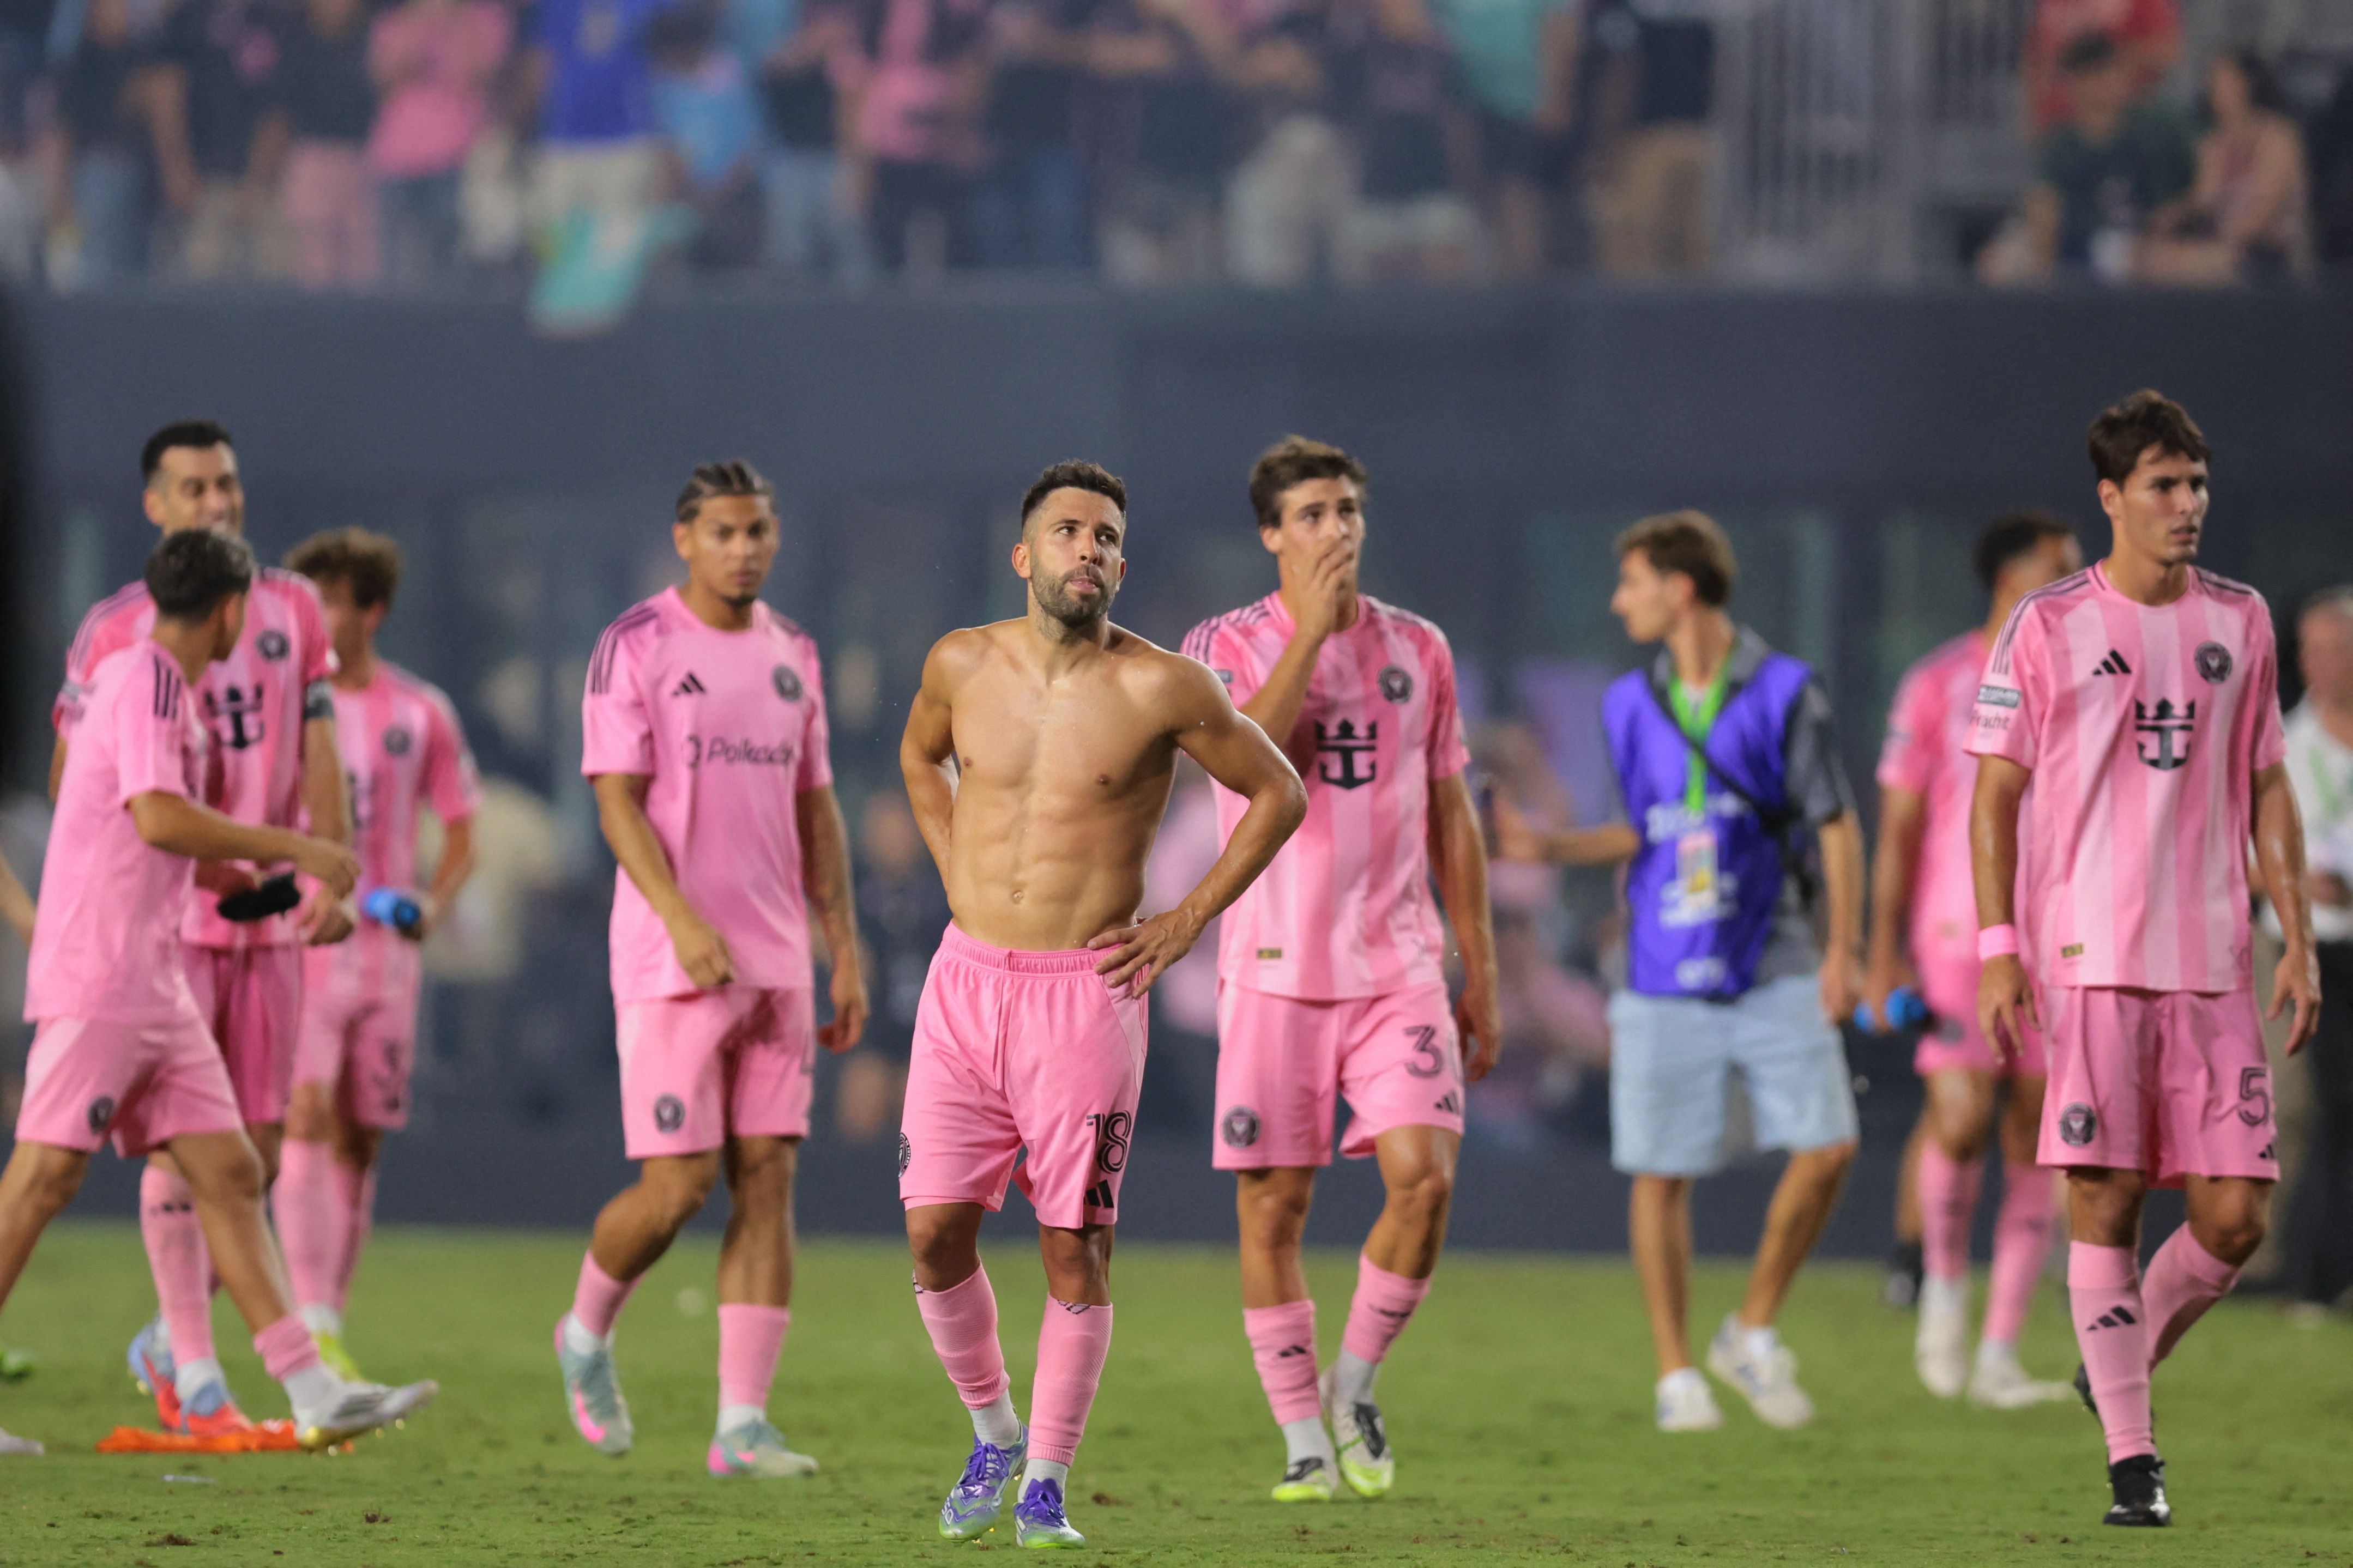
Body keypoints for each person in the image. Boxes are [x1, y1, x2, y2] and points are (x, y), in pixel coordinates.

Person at [897, 460, 1305, 1547]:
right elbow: (916, 752)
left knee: (1072, 1245)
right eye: (1069, 530)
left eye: (1107, 535)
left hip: (1083, 993)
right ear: (1025, 554)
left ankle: (1045, 1481)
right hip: (963, 983)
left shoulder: (1166, 685)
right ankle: (992, 1430)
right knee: (934, 1233)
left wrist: (1182, 921)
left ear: (1120, 563)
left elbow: (1281, 792)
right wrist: (950, 863)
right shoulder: (960, 660)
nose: (1089, 547)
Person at [1967, 389, 2320, 1527]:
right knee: (2104, 1199)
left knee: (2233, 1219)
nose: (2187, 506)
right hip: (2094, 959)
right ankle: (2134, 1460)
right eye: (2165, 487)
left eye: (2198, 485)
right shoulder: (2048, 622)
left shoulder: (2242, 619)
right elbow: (1995, 795)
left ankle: (2106, 1361)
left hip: (2214, 959)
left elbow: (2268, 781)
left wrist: (2297, 937)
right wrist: (1998, 947)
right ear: (2111, 497)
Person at [0, 529, 429, 1457]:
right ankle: (265, 1374)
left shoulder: (159, 688)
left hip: (155, 983)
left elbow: (133, 825)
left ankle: (313, 1385)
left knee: (234, 1172)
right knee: (42, 1180)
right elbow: (158, 815)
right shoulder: (151, 678)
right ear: (232, 609)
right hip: (104, 977)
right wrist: (295, 848)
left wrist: (226, 877)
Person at [1495, 510, 1863, 1433]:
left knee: (1827, 1146)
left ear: (1681, 586)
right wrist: (1553, 843)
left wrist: (1845, 949)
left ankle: (1751, 1326)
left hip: (1771, 951)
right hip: (1660, 964)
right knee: (1661, 1170)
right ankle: (1675, 1375)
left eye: (1632, 582)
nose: (1620, 601)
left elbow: (1834, 823)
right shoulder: (1629, 702)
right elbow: (1646, 824)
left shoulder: (1785, 691)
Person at [1179, 437, 1497, 1502]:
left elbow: (1452, 812)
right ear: (1271, 533)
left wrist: (1480, 969)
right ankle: (1301, 1440)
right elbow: (1249, 763)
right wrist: (1309, 638)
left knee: (1426, 1176)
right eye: (1311, 513)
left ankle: (1352, 1385)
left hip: (1397, 966)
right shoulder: (1219, 645)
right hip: (1272, 966)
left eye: (1348, 509)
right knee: (1274, 1210)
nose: (1336, 529)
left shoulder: (1421, 648)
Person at [557, 461, 868, 1478]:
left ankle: (742, 1426)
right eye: (726, 532)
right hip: (672, 957)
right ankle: (587, 1332)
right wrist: (682, 917)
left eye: (760, 532)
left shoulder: (795, 652)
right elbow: (616, 800)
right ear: (685, 538)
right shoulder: (634, 645)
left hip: (778, 959)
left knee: (768, 1179)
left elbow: (816, 806)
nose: (746, 549)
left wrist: (843, 945)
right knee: (680, 1184)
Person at [53, 420, 348, 1438]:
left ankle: (214, 1360)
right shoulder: (120, 640)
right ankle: (195, 1364)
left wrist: (318, 863)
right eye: (194, 488)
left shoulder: (294, 609)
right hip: (156, 931)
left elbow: (318, 739)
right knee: (119, 1163)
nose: (218, 502)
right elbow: (104, 795)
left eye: (227, 482)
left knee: (246, 1156)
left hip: (249, 918)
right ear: (157, 506)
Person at [1865, 511, 2082, 1407]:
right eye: (2059, 568)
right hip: (1955, 931)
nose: (2076, 583)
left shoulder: (2084, 680)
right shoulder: (1939, 681)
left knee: (2036, 1134)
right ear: (2009, 575)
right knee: (1957, 1115)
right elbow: (1903, 823)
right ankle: (1942, 1297)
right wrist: (1879, 950)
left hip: (2056, 935)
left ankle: (1998, 1349)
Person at [275, 529, 481, 1382]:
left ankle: (332, 1314)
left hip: (389, 958)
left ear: (372, 610)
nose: (317, 618)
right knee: (306, 1110)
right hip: (309, 942)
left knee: (360, 1135)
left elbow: (461, 826)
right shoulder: (289, 705)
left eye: (332, 601)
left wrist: (434, 902)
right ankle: (312, 1319)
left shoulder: (419, 712)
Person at [2267, 589, 2353, 1309]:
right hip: (2299, 945)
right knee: (2300, 1105)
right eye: (2314, 649)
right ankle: (2288, 1267)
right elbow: (2240, 848)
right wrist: (2298, 881)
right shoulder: (2281, 744)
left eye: (2338, 648)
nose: (2324, 663)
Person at [1978, 32, 2194, 286]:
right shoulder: (2065, 142)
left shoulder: (2157, 127)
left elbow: (2192, 193)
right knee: (1999, 261)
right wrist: (2041, 244)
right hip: (2071, 246)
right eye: (2092, 75)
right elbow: (2045, 205)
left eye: (2112, 72)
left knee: (2129, 257)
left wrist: (2164, 226)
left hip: (2134, 245)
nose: (2109, 83)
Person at [367, 0, 514, 286]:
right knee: (397, 271)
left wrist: (453, 22)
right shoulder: (395, 21)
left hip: (458, 159)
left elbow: (480, 72)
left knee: (452, 269)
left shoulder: (487, 18)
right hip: (397, 159)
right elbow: (385, 75)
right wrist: (420, 21)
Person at [2137, 51, 2312, 288]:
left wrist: (2225, 244)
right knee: (2147, 258)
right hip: (2222, 245)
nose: (2213, 87)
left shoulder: (2278, 137)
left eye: (2223, 80)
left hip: (2267, 251)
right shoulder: (2212, 143)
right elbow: (2204, 201)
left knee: (2184, 265)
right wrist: (2169, 217)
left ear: (2247, 84)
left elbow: (2267, 206)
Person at [837, 790, 947, 1143]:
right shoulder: (851, 891)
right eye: (881, 828)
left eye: (899, 827)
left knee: (920, 1097)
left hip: (933, 1035)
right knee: (864, 1092)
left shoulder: (946, 891)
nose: (891, 837)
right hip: (875, 1033)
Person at [266, 0, 384, 292]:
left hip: (365, 157)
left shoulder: (374, 38)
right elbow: (281, 114)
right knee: (314, 260)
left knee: (364, 260)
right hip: (311, 158)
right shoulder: (295, 41)